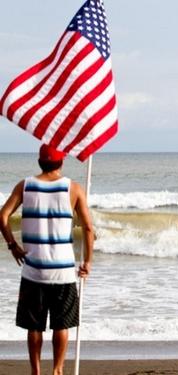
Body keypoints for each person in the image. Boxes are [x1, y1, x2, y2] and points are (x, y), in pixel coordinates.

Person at [0, 144, 94, 375]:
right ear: (61, 162)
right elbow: (89, 229)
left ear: (39, 161)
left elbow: (2, 216)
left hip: (33, 270)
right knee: (62, 324)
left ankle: (36, 371)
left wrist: (13, 245)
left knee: (34, 326)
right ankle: (58, 369)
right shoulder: (73, 188)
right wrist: (87, 262)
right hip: (62, 270)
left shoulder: (26, 186)